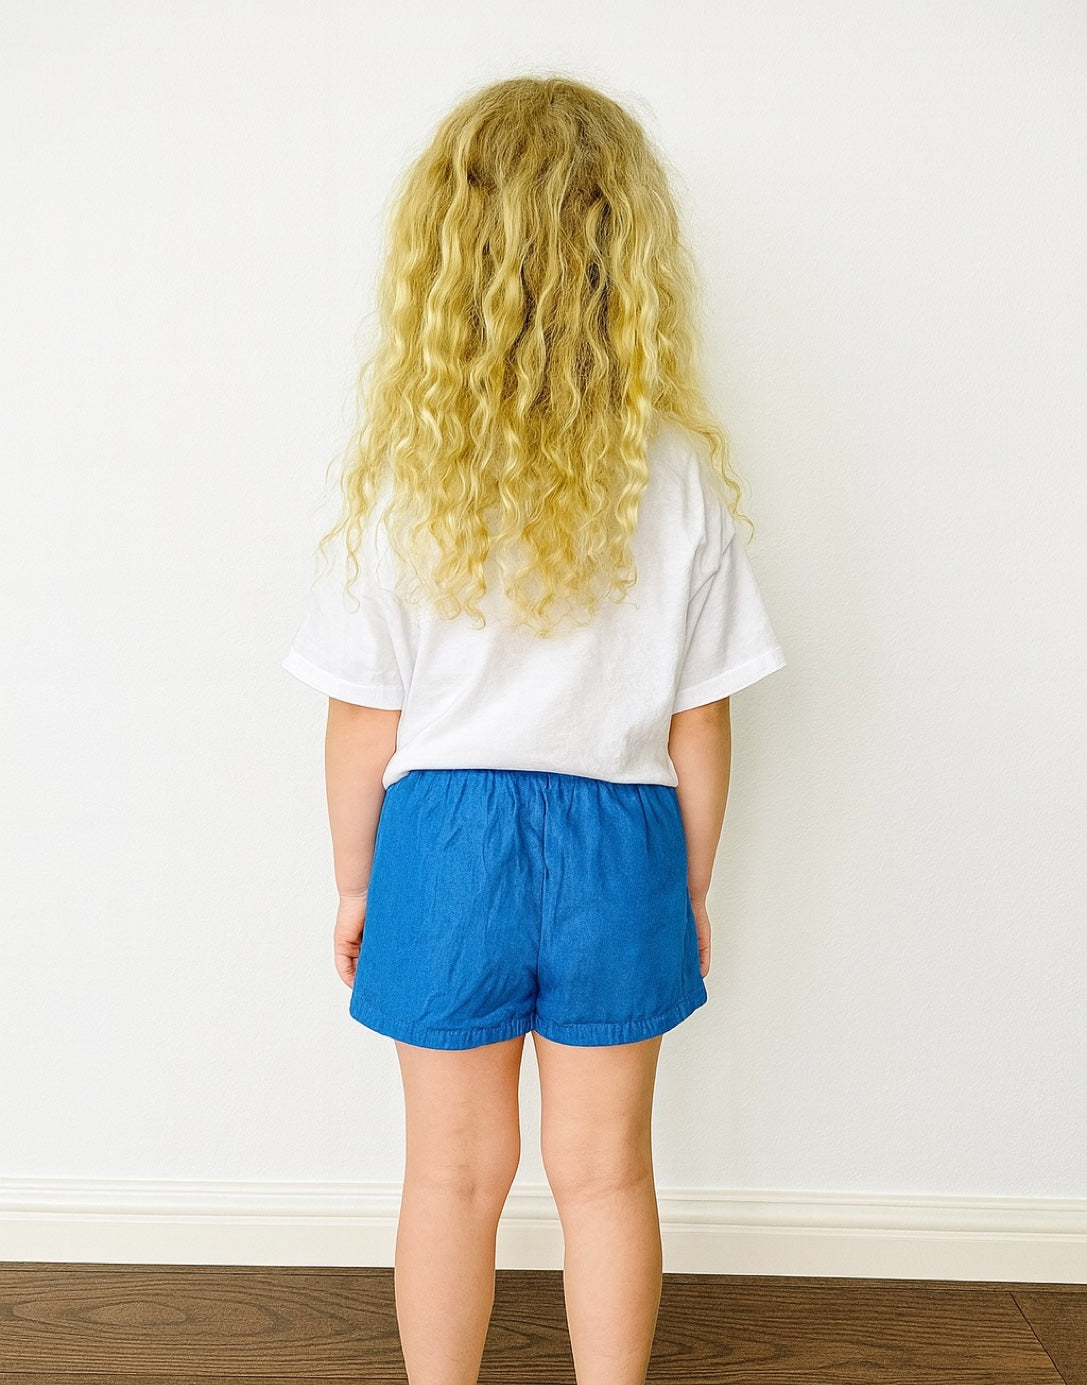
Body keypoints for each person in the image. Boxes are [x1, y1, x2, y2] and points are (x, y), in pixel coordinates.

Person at [280, 73, 786, 1385]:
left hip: (444, 837)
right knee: (606, 1174)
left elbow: (360, 713)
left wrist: (353, 877)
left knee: (451, 1173)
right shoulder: (672, 470)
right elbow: (702, 717)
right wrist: (685, 880)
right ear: (629, 260)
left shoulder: (408, 477)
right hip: (619, 832)